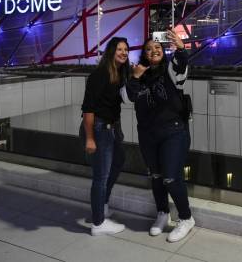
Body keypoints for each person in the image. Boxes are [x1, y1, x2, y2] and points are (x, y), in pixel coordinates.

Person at [124, 29, 195, 242]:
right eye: (148, 49)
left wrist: (181, 49)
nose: (153, 50)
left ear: (163, 52)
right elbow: (128, 99)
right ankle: (162, 213)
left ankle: (186, 218)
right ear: (144, 54)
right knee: (156, 176)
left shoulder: (170, 71)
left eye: (157, 48)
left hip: (173, 131)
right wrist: (135, 77)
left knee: (171, 177)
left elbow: (182, 69)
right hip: (148, 134)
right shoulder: (137, 75)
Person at [80, 37, 130, 236]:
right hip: (99, 129)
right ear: (111, 51)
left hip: (111, 128)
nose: (124, 53)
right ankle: (98, 223)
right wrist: (90, 138)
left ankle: (102, 204)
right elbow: (88, 109)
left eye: (126, 49)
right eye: (119, 49)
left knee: (119, 161)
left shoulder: (119, 73)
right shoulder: (100, 75)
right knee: (100, 177)